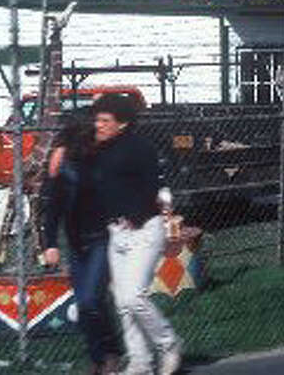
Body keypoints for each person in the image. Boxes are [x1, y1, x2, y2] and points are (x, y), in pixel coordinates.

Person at [91, 93, 182, 375]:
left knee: (133, 297)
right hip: (116, 233)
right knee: (122, 303)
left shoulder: (140, 148)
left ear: (123, 123)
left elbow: (151, 187)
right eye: (97, 120)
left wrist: (135, 213)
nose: (99, 125)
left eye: (105, 120)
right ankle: (140, 363)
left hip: (144, 230)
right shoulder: (99, 149)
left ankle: (169, 343)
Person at [42, 112, 123, 375]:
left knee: (91, 299)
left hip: (100, 239)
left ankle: (111, 352)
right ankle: (98, 358)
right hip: (76, 243)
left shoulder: (97, 161)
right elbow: (52, 207)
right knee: (85, 303)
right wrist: (50, 243)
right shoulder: (62, 166)